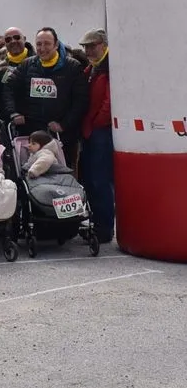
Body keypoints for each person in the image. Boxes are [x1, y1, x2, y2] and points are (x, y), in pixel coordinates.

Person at [2, 27, 88, 166]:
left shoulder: (72, 67)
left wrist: (64, 124)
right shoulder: (27, 64)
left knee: (62, 172)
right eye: (39, 44)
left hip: (61, 135)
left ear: (56, 45)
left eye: (47, 44)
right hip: (31, 132)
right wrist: (13, 113)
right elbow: (9, 88)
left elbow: (81, 100)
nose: (42, 48)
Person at [78, 28, 114, 243]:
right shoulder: (92, 68)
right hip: (90, 130)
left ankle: (104, 228)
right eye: (86, 47)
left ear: (103, 44)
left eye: (92, 46)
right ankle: (97, 223)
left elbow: (109, 102)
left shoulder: (109, 68)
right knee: (91, 179)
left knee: (99, 180)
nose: (88, 50)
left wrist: (96, 123)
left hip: (99, 131)